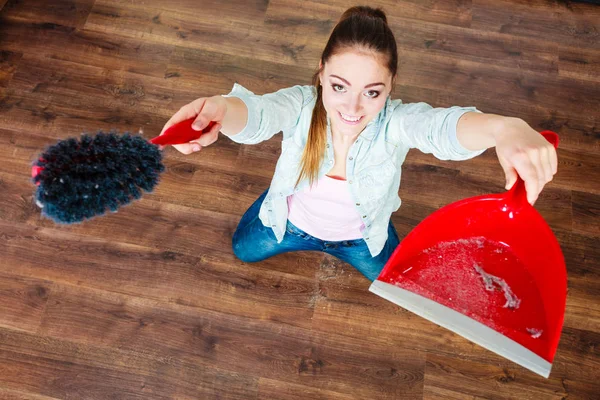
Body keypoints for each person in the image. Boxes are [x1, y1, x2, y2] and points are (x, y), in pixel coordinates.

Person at [160, 6, 557, 282]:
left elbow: (441, 128)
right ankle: (273, 198)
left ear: (391, 87)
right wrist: (220, 110)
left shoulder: (395, 122)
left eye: (372, 92)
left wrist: (505, 128)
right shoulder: (301, 105)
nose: (351, 107)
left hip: (360, 240)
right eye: (339, 86)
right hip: (288, 225)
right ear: (321, 72)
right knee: (243, 250)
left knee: (393, 277)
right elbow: (259, 114)